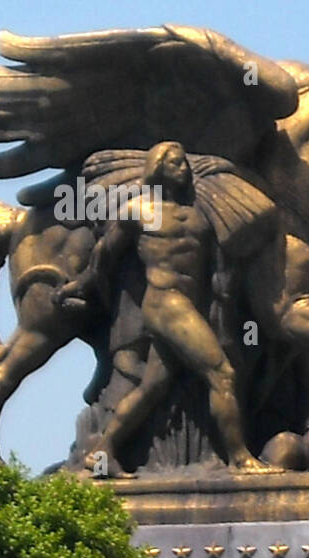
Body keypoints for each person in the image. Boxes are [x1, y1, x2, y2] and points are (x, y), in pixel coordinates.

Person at [54, 141, 279, 476]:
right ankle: (241, 459)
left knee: (152, 387)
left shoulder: (199, 213)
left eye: (184, 163)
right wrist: (78, 286)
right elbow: (104, 256)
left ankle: (102, 450)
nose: (183, 168)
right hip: (165, 303)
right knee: (222, 374)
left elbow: (221, 263)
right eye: (174, 163)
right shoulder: (138, 211)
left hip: (192, 306)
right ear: (158, 168)